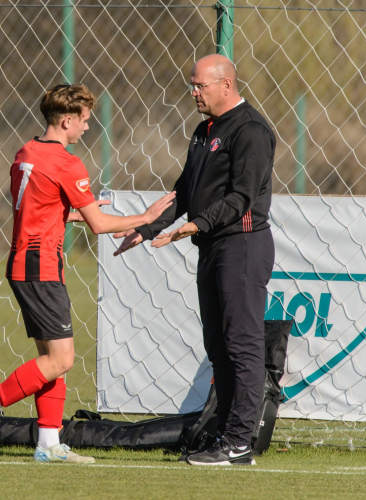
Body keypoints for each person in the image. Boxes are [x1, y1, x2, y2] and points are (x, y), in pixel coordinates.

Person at [0, 83, 175, 463]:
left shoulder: (25, 151)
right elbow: (98, 225)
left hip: (23, 262)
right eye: (85, 121)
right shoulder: (67, 163)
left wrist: (75, 210)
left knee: (50, 355)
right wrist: (144, 218)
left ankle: (48, 443)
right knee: (61, 359)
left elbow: (42, 207)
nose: (88, 128)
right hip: (41, 264)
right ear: (66, 121)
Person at [114, 55, 276, 466]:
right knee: (217, 346)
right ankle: (224, 433)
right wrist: (148, 228)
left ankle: (240, 443)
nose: (194, 93)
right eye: (192, 85)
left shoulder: (252, 131)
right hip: (211, 246)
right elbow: (185, 189)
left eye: (200, 86)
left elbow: (242, 197)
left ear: (226, 85)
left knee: (242, 343)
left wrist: (198, 225)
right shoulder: (203, 131)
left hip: (241, 246)